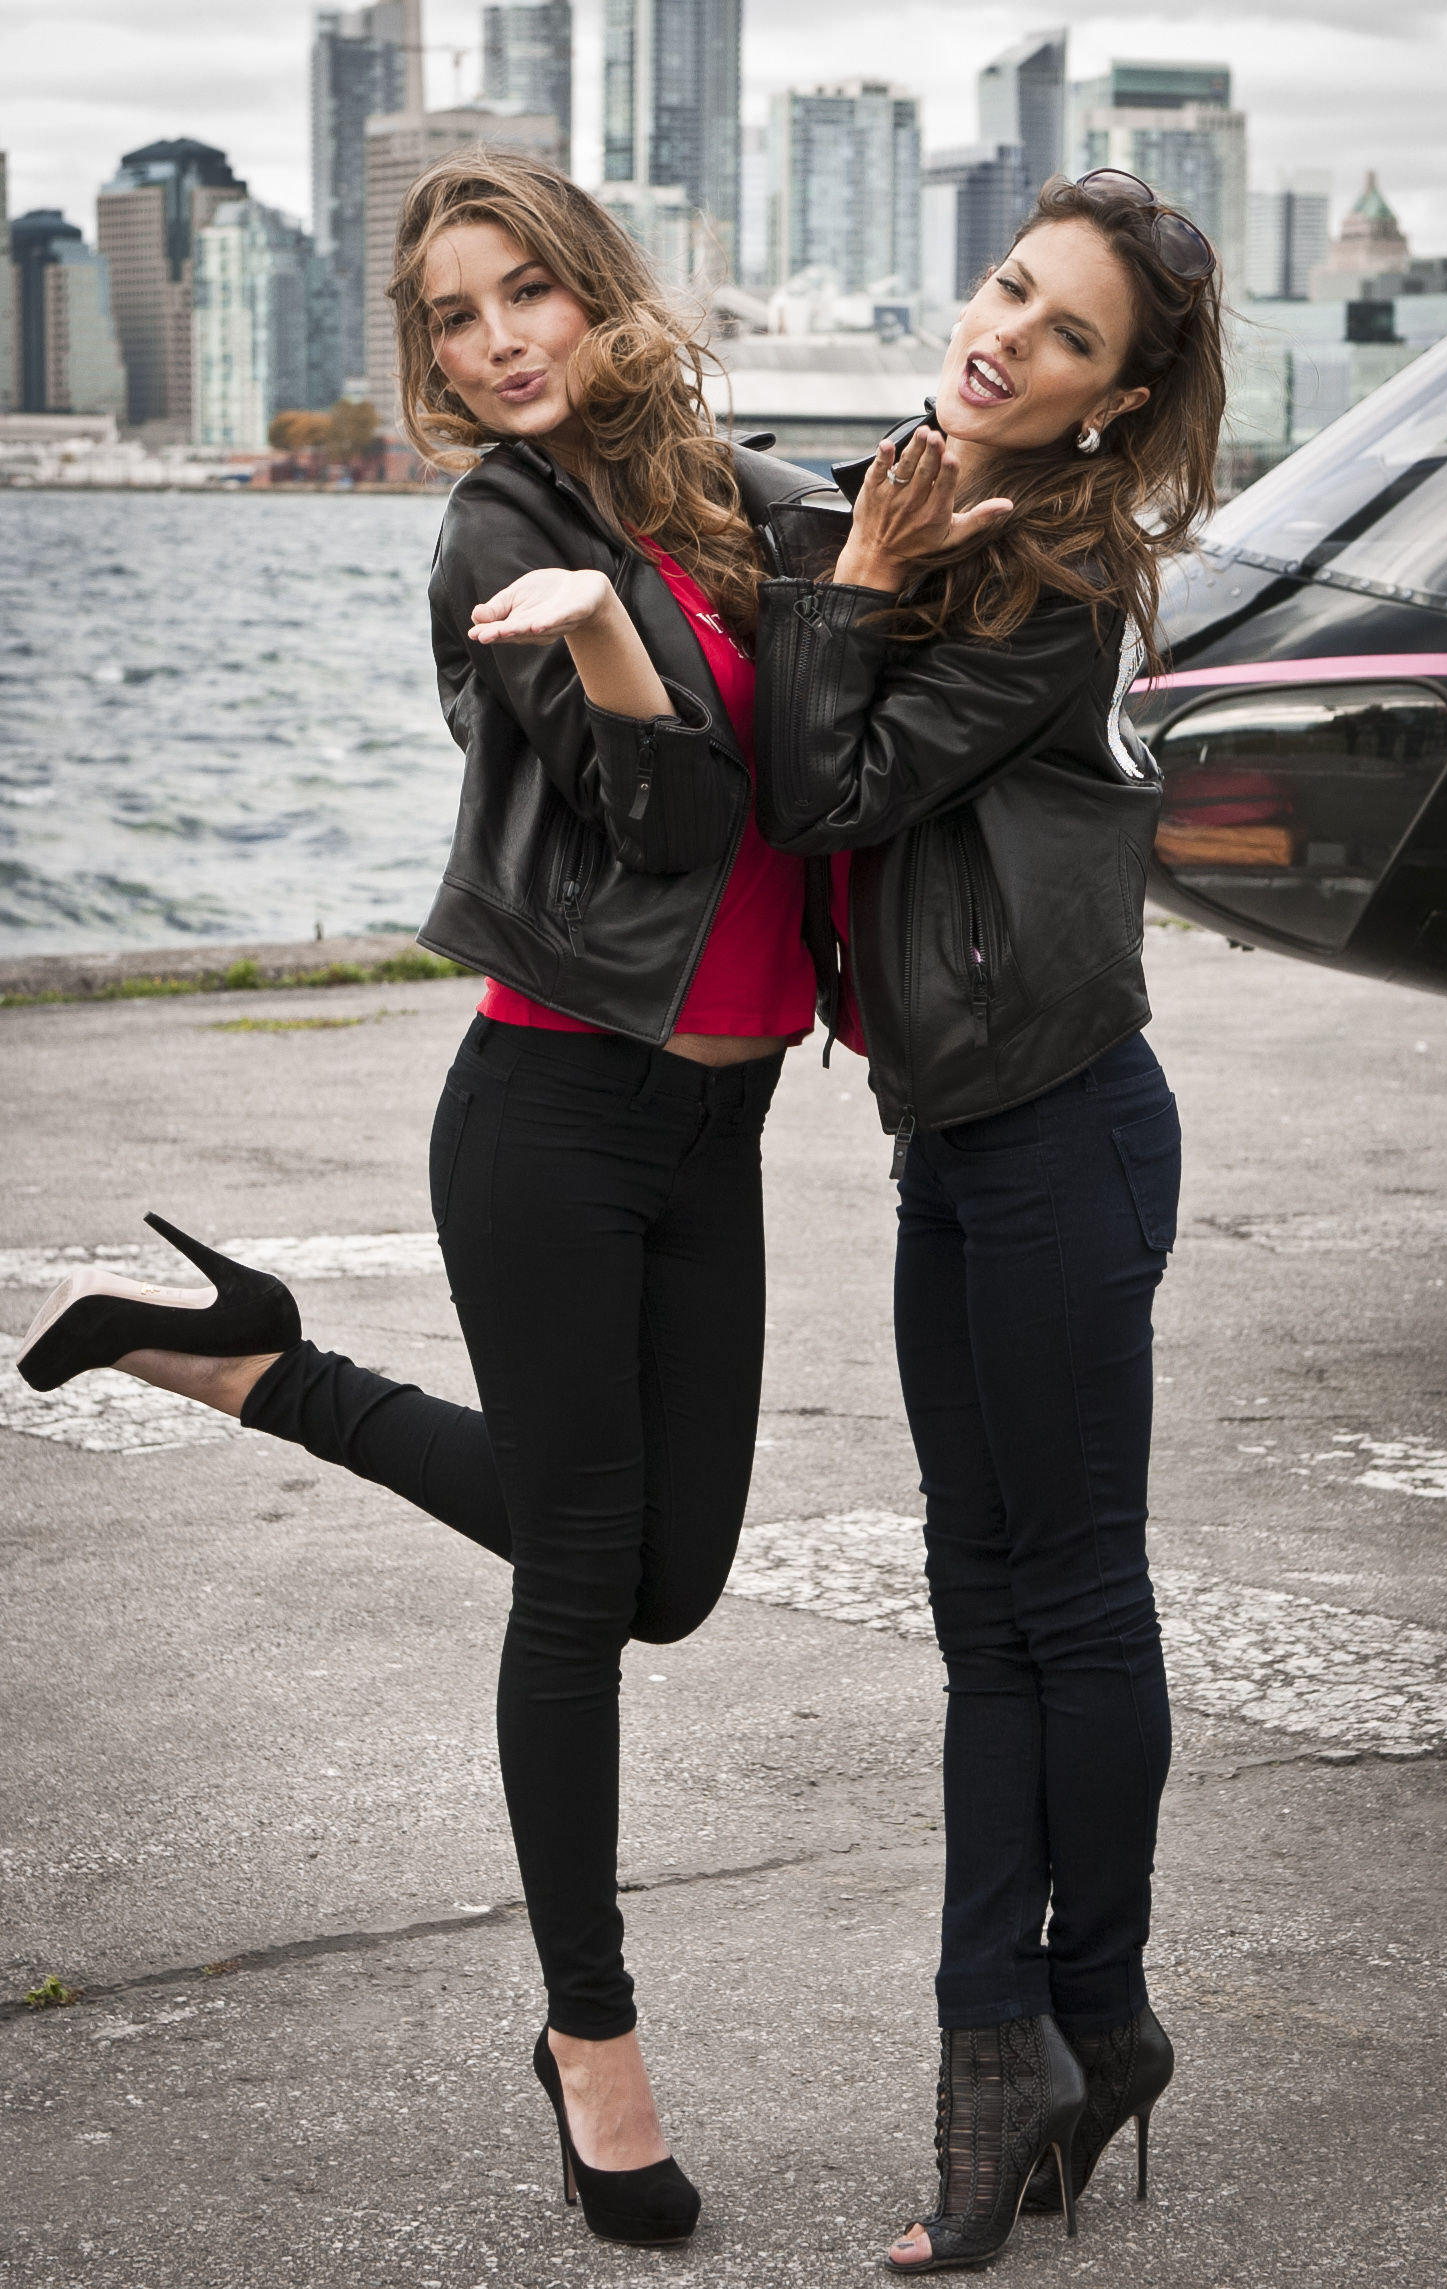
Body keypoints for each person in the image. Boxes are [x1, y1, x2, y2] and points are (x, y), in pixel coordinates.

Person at [17, 153, 838, 2251]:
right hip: (554, 1115)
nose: (494, 343)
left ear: (595, 289)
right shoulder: (501, 529)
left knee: (669, 1577)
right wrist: (613, 639)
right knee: (578, 1590)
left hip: (718, 1130)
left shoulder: (732, 496)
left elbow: (867, 654)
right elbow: (670, 825)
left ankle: (250, 1361)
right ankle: (593, 2050)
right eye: (453, 319)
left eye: (523, 293)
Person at [754, 172, 1225, 2273]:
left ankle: (1052, 2023)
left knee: (1069, 1600)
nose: (1005, 336)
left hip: (1061, 1139)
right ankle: (1043, 2031)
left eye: (1064, 336)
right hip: (958, 1142)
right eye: (1010, 290)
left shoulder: (1055, 580)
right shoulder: (929, 500)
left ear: (1109, 400)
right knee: (984, 1603)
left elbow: (827, 791)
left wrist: (856, 584)